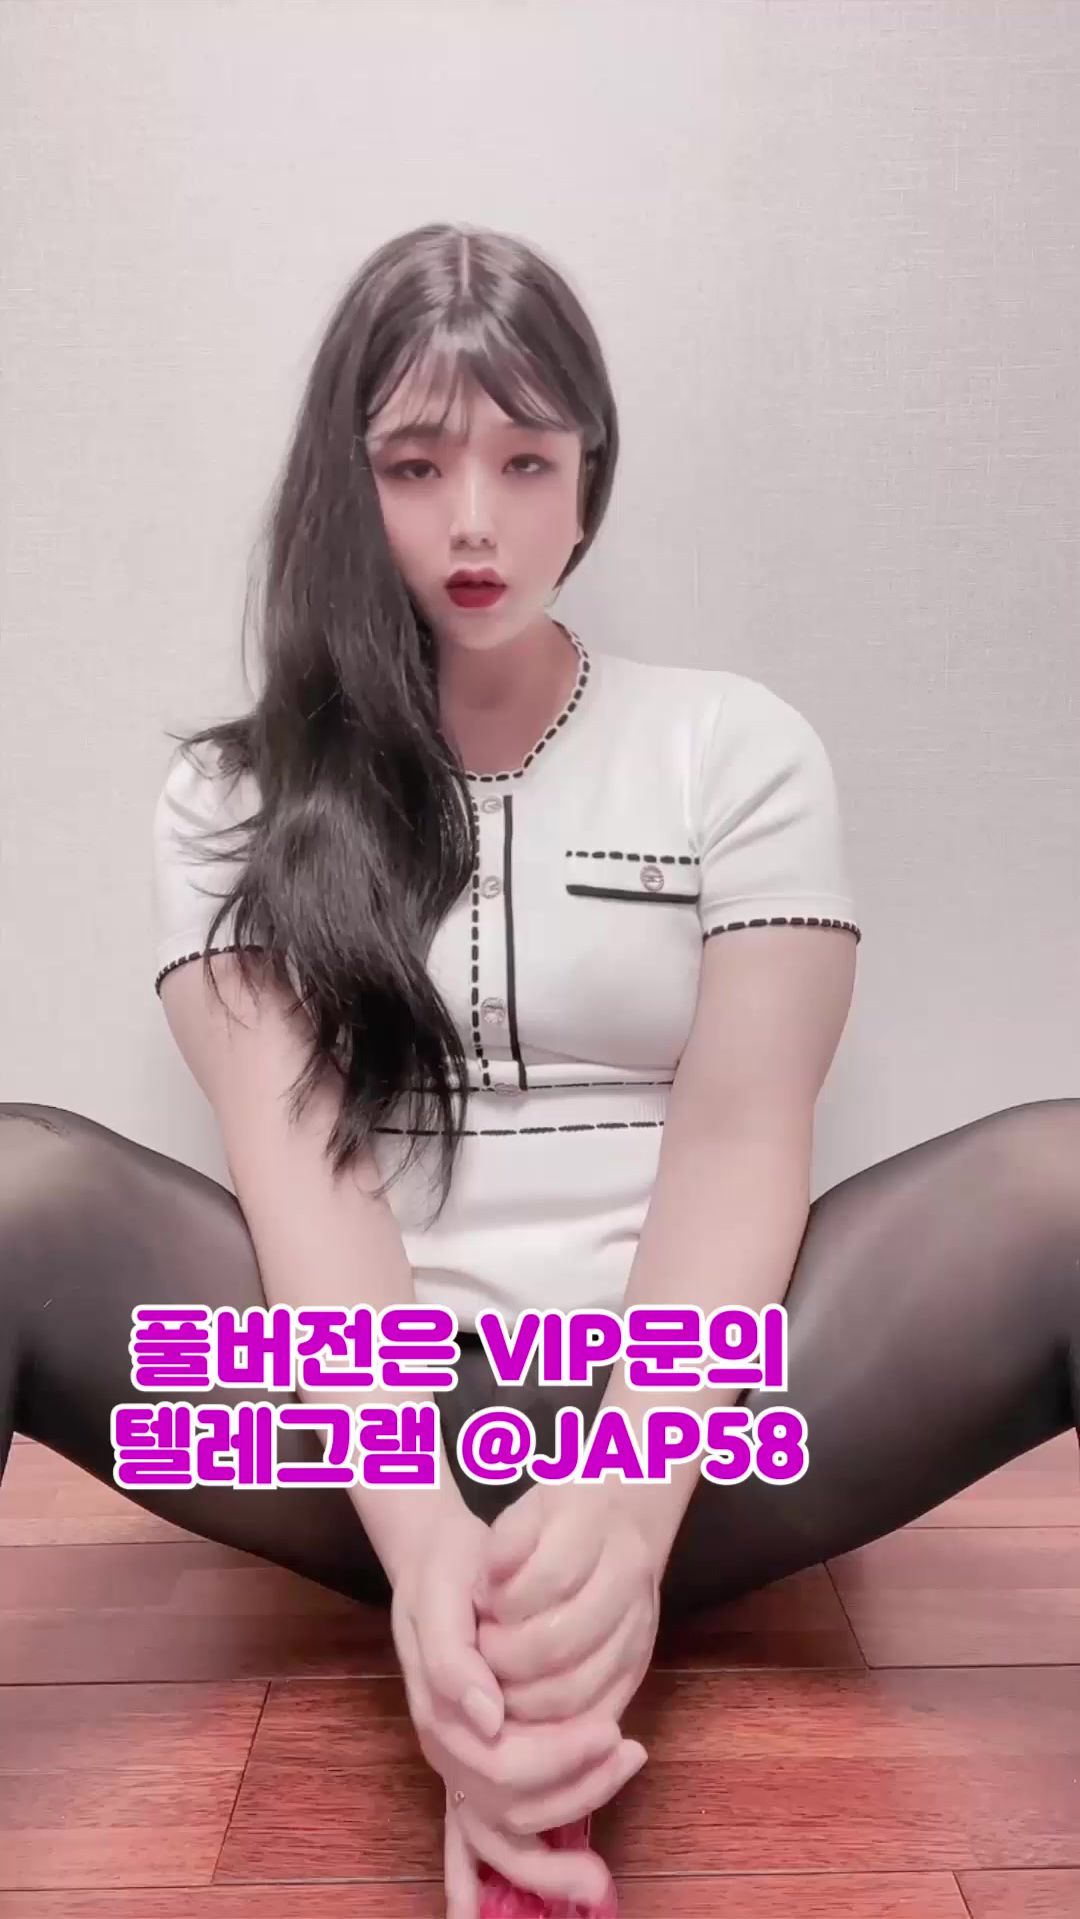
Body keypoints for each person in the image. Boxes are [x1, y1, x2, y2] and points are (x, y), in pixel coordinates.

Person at [1, 221, 1077, 1919]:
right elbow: (303, 1180)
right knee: (13, 1187)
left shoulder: (736, 748)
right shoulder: (229, 799)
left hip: (706, 1404)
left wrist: (628, 1509)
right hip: (353, 1419)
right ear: (344, 485)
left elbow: (740, 1144)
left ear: (591, 477)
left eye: (524, 460)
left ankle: (556, 1642)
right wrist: (430, 1548)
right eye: (414, 466)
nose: (475, 521)